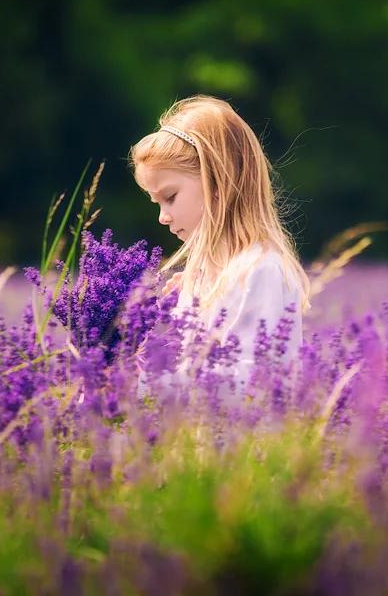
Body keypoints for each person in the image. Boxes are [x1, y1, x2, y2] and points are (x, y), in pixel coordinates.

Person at [127, 95, 311, 400]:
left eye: (170, 197)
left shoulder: (260, 269)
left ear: (217, 181)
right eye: (156, 203)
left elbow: (252, 385)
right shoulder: (199, 275)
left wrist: (148, 385)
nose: (163, 217)